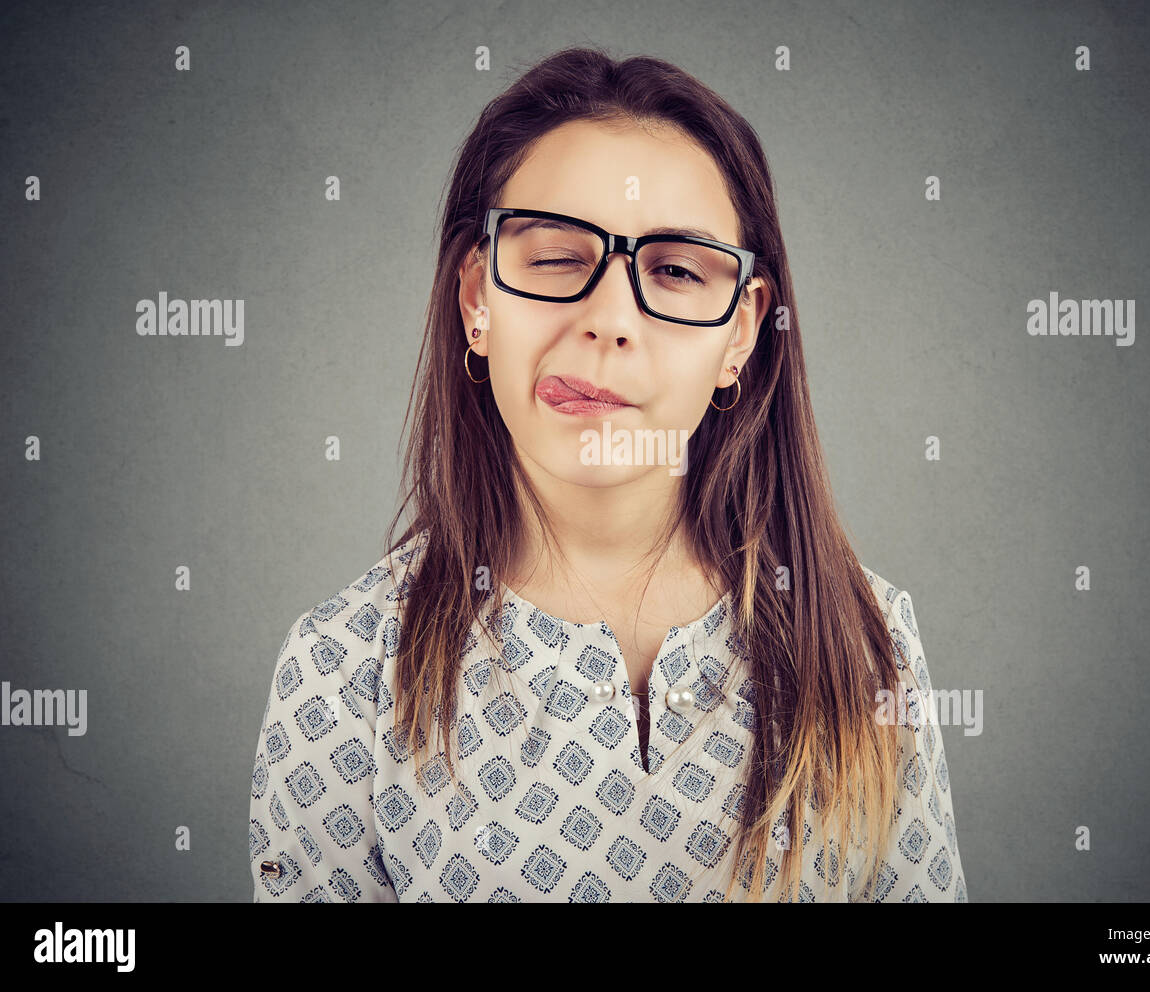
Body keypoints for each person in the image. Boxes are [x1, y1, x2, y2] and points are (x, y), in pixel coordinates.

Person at [248, 46, 967, 903]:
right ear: (477, 299)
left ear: (742, 331)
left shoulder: (867, 643)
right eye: (556, 256)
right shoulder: (341, 671)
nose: (611, 320)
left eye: (674, 269)